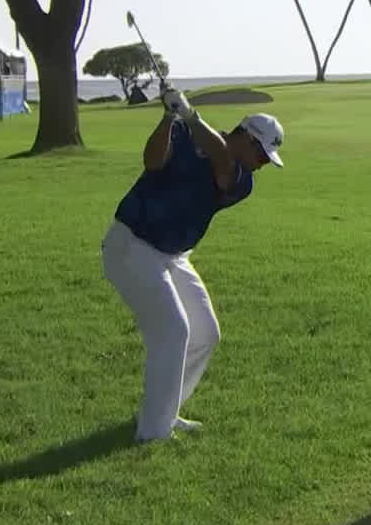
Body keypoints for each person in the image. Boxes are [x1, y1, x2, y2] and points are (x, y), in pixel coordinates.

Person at [101, 86, 286, 442]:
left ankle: (162, 413)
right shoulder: (184, 133)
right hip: (132, 246)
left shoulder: (241, 180)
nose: (261, 165)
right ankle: (153, 434)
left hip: (171, 255)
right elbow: (152, 161)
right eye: (261, 156)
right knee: (173, 332)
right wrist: (170, 117)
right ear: (245, 138)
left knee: (205, 333)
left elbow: (220, 160)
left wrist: (190, 115)